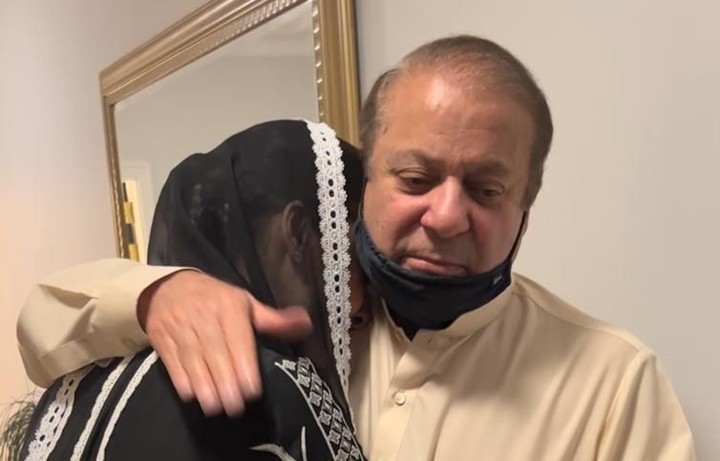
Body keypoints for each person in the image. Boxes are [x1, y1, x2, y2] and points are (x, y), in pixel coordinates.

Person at [18, 36, 695, 460]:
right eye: (416, 179)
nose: (446, 216)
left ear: (525, 208)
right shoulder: (307, 317)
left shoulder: (613, 382)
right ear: (367, 181)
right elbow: (44, 330)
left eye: (486, 189)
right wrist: (157, 295)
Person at [18, 119, 366, 460]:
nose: (364, 304)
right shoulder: (280, 390)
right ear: (298, 234)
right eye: (353, 255)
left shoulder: (80, 381)